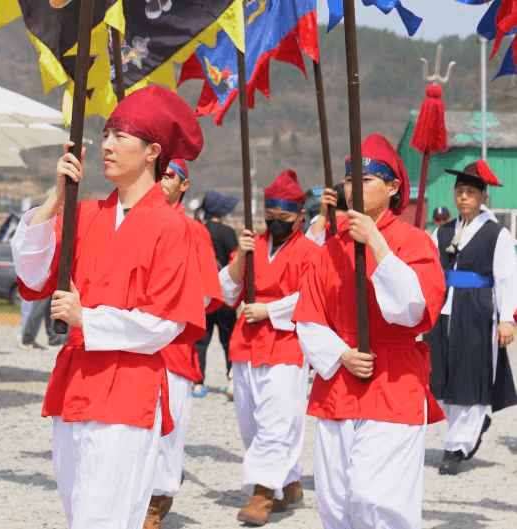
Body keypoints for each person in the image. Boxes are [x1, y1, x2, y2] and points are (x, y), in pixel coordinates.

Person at [11, 86, 207, 529]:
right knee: (79, 510)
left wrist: (88, 318)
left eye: (121, 136)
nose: (106, 145)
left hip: (128, 389)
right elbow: (35, 274)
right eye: (105, 134)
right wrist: (54, 200)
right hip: (75, 384)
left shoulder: (173, 227)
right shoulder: (87, 215)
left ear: (153, 151)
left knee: (103, 518)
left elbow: (165, 321)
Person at [293, 133, 446, 529]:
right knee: (335, 500)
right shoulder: (330, 249)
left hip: (394, 382)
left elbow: (414, 310)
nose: (353, 188)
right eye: (349, 180)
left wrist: (377, 243)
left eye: (366, 180)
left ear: (393, 187)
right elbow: (309, 316)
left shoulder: (414, 241)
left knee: (376, 497)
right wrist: (341, 353)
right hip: (340, 382)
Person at [220, 169, 322, 526]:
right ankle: (289, 481)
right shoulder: (251, 246)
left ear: (300, 217)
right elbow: (226, 292)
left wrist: (270, 309)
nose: (276, 223)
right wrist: (241, 259)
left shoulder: (311, 252)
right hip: (246, 342)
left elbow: (311, 297)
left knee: (277, 421)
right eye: (271, 217)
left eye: (285, 218)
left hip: (286, 342)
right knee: (249, 422)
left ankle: (263, 493)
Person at [425, 161, 517, 475]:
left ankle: (457, 446)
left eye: (470, 192)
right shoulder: (443, 231)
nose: (463, 197)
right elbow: (428, 270)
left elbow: (507, 277)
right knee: (445, 376)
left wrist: (507, 318)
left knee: (470, 375)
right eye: (460, 192)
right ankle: (465, 430)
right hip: (445, 309)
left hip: (477, 309)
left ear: (482, 197)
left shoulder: (496, 234)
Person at [144, 159, 222, 528]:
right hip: (125, 344)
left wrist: (165, 305)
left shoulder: (194, 232)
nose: (162, 182)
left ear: (184, 185)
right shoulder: (129, 223)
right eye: (158, 174)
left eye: (170, 176)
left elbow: (206, 295)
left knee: (166, 427)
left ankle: (157, 499)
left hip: (171, 345)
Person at [194, 190, 239, 398]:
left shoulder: (198, 229)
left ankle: (197, 382)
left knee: (201, 340)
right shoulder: (228, 232)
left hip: (202, 294)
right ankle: (232, 379)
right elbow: (236, 261)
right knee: (228, 339)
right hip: (225, 296)